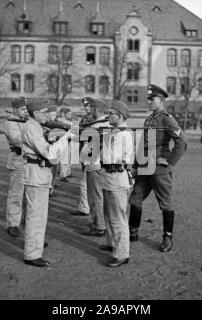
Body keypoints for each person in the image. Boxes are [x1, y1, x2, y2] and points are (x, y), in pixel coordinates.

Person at [129, 84, 187, 253]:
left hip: (160, 169)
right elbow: (143, 144)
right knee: (135, 198)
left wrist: (169, 161)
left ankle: (167, 237)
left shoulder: (166, 119)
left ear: (160, 100)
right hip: (145, 166)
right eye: (148, 99)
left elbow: (182, 141)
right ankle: (133, 231)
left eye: (152, 99)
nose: (149, 102)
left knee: (165, 204)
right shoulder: (149, 119)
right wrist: (135, 164)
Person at [21, 100, 72, 267]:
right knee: (35, 215)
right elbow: (49, 153)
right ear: (35, 113)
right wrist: (66, 138)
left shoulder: (37, 126)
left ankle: (35, 246)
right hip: (35, 175)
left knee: (40, 215)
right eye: (44, 112)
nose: (47, 114)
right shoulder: (32, 127)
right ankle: (32, 254)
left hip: (41, 174)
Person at [100, 100, 134, 267]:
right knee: (108, 213)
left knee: (118, 217)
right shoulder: (113, 131)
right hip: (108, 177)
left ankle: (122, 254)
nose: (109, 116)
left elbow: (112, 157)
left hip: (117, 177)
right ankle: (112, 243)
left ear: (120, 116)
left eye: (112, 113)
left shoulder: (123, 133)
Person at [80, 97, 109, 236]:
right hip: (99, 164)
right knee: (98, 195)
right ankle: (100, 222)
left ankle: (99, 225)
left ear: (97, 110)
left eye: (92, 108)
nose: (90, 111)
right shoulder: (105, 123)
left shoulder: (98, 126)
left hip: (94, 164)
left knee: (95, 196)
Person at [4, 97, 29, 237]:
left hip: (29, 161)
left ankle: (25, 218)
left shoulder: (26, 120)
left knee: (29, 193)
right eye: (22, 109)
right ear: (15, 110)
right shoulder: (11, 123)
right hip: (18, 160)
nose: (25, 112)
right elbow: (17, 140)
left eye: (26, 109)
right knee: (16, 194)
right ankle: (12, 224)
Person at [57, 107, 72, 182]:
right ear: (63, 114)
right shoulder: (61, 121)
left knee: (68, 160)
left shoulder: (68, 121)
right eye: (68, 114)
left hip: (69, 142)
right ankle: (63, 175)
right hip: (63, 142)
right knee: (64, 160)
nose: (70, 115)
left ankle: (66, 173)